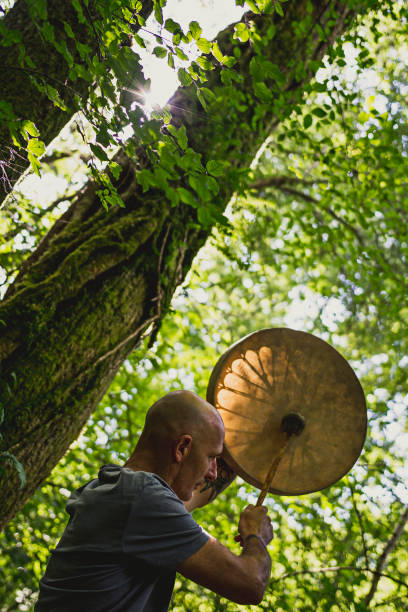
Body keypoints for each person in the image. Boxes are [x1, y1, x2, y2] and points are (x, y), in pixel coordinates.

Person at [35, 390, 273, 611]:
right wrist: (256, 535)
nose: (212, 472)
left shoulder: (115, 490)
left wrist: (249, 444)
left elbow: (202, 491)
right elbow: (250, 584)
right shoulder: (144, 499)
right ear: (182, 448)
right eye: (211, 457)